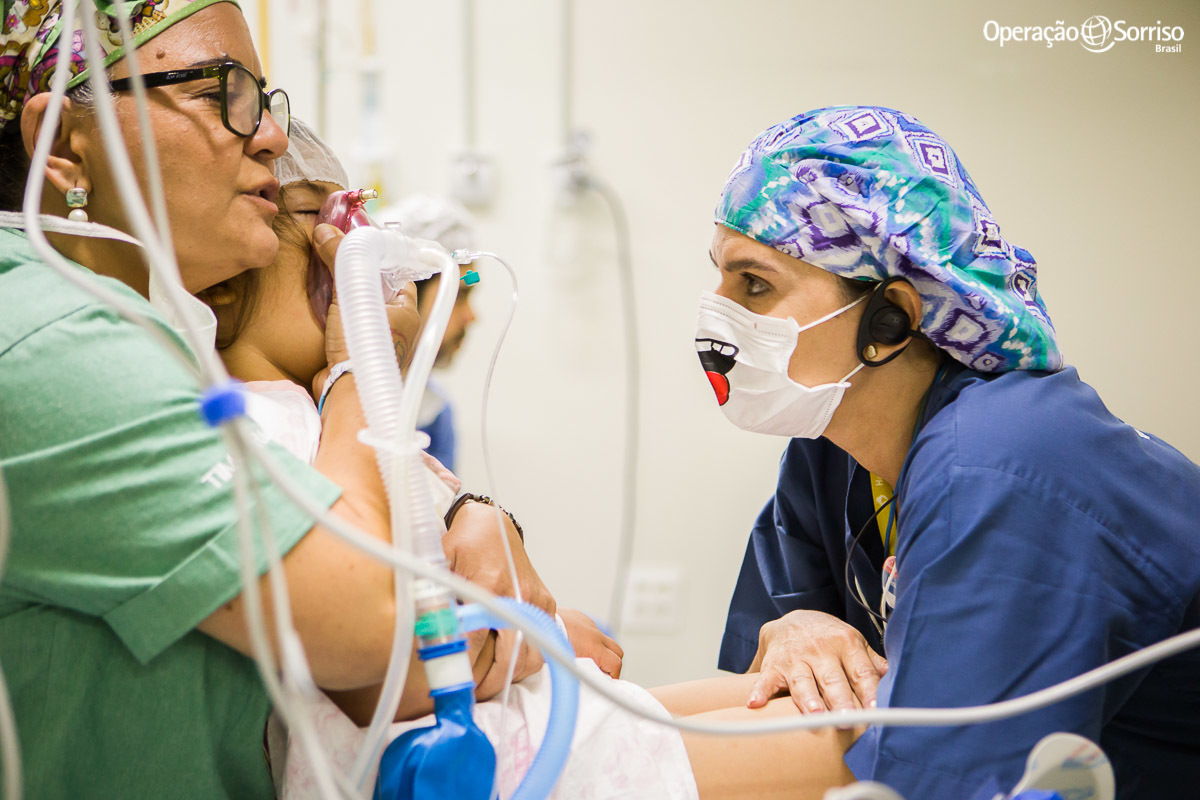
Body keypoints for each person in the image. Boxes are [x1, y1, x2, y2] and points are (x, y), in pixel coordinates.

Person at [207, 120, 865, 800]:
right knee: (868, 743)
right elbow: (389, 659)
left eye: (352, 219)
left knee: (793, 700)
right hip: (483, 756)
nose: (349, 254)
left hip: (520, 719)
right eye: (316, 220)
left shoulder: (328, 412)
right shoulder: (264, 427)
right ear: (225, 279)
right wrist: (534, 638)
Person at [0, 2, 550, 797]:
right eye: (219, 90)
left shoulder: (153, 336)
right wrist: (365, 362)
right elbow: (383, 631)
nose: (271, 136)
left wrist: (472, 513)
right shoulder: (48, 341)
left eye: (263, 97)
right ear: (67, 146)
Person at [698, 106, 1200, 798]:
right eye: (719, 278)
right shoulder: (833, 450)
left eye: (754, 284)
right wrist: (795, 625)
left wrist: (595, 765)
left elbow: (929, 778)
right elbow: (775, 699)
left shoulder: (1000, 464)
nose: (715, 317)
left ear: (891, 318)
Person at [375, 195, 480, 471]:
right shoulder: (336, 399)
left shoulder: (435, 412)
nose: (472, 316)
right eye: (459, 296)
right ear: (404, 291)